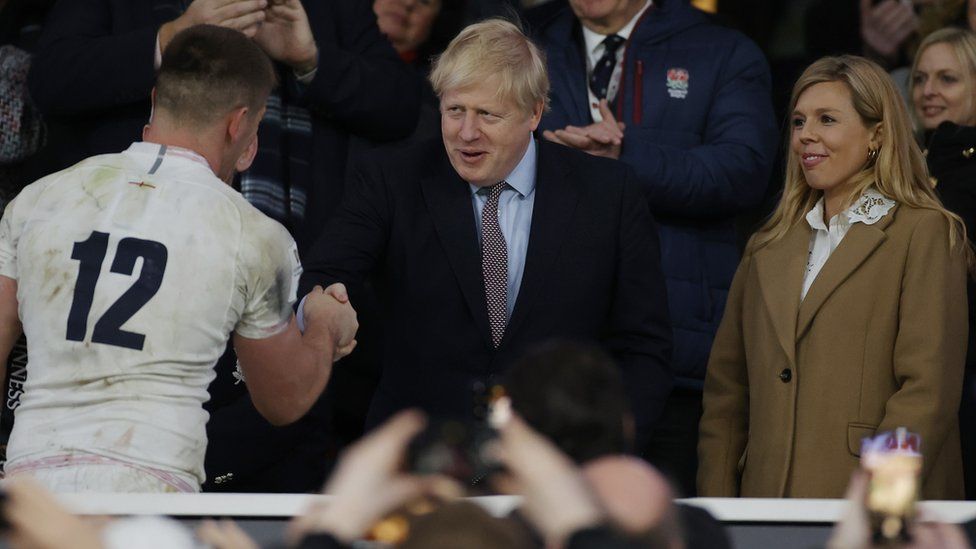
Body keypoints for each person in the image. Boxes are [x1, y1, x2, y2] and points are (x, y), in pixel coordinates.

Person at [0, 24, 358, 493]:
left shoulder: (36, 200)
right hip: (151, 494)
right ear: (240, 125)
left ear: (154, 101)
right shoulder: (255, 236)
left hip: (33, 492)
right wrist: (324, 326)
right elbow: (284, 400)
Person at [300, 19, 672, 450]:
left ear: (534, 112)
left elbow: (645, 347)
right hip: (423, 464)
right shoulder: (391, 179)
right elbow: (324, 274)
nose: (466, 133)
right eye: (455, 110)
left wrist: (610, 449)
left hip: (561, 464)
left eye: (488, 115)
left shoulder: (609, 193)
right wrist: (323, 307)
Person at [532, 0, 778, 495]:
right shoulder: (523, 42)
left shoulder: (722, 50)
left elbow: (745, 168)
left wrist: (625, 158)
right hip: (547, 352)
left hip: (675, 353)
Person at [698, 55, 971, 499]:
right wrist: (718, 505)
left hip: (875, 509)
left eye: (827, 119)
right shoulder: (766, 245)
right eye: (799, 120)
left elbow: (927, 393)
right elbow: (727, 393)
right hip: (764, 506)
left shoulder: (924, 232)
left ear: (877, 135)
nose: (807, 134)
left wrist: (879, 503)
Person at [909, 26, 976, 500]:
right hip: (911, 379)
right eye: (919, 78)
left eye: (947, 79)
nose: (928, 91)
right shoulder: (901, 166)